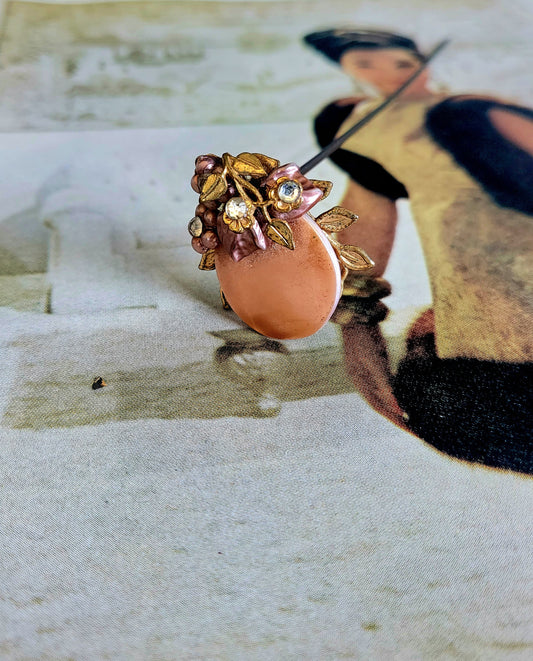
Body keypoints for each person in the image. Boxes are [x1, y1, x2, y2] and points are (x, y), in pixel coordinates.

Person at [304, 29, 533, 473]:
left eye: (402, 64)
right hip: (467, 392)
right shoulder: (365, 128)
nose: (387, 75)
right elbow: (366, 208)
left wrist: (357, 325)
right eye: (365, 66)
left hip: (466, 393)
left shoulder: (469, 117)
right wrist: (355, 322)